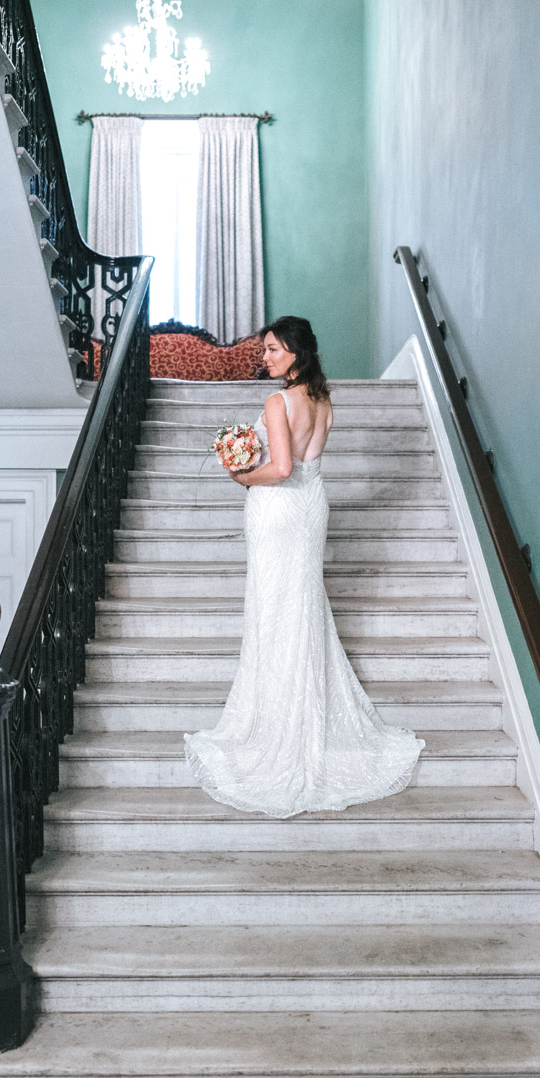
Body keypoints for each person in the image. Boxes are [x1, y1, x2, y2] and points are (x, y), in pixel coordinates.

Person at [184, 315, 424, 817]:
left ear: (294, 351)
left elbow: (282, 468)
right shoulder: (323, 401)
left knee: (276, 610)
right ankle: (306, 709)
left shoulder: (277, 401)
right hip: (313, 507)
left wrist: (241, 475)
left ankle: (277, 726)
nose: (264, 357)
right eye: (265, 350)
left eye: (272, 349)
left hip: (278, 509)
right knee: (303, 604)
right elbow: (308, 465)